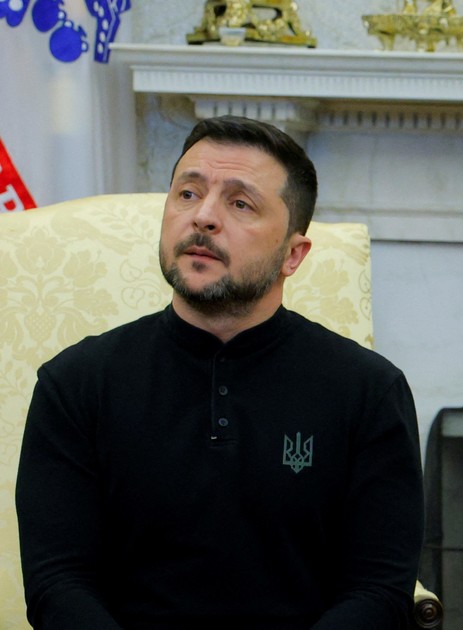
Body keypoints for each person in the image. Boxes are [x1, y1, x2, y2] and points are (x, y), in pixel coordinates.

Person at [15, 116, 425, 629]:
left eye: (240, 203)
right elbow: (57, 584)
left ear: (293, 255)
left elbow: (379, 590)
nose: (204, 217)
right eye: (188, 194)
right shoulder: (74, 383)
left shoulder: (369, 391)